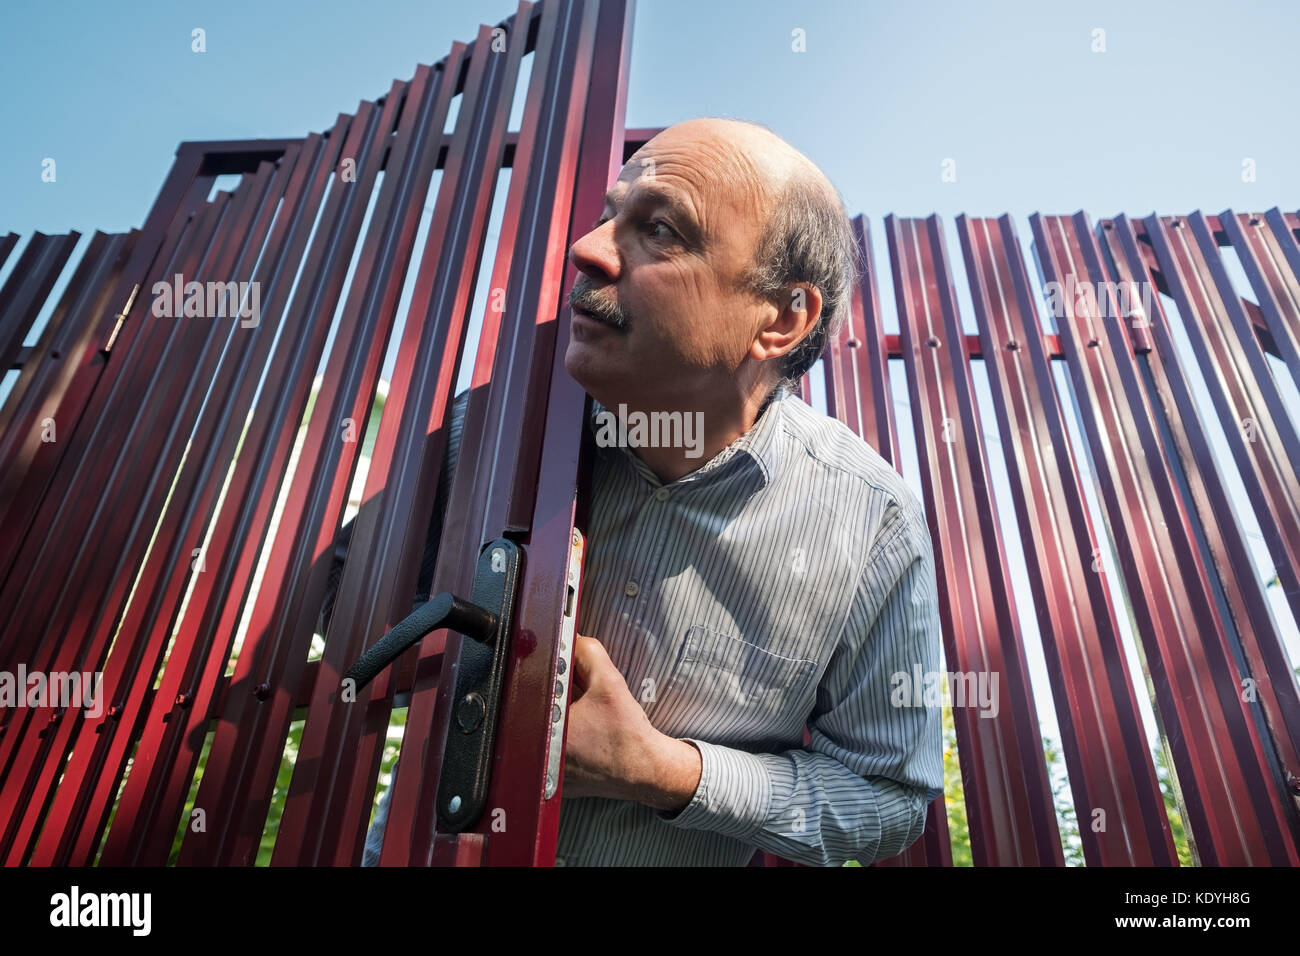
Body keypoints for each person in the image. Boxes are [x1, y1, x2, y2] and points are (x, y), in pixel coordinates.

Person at [355, 116, 942, 866]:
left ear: (783, 319)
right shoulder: (491, 430)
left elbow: (889, 801)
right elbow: (348, 612)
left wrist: (663, 771)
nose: (588, 250)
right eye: (608, 216)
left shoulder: (871, 524)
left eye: (660, 230)